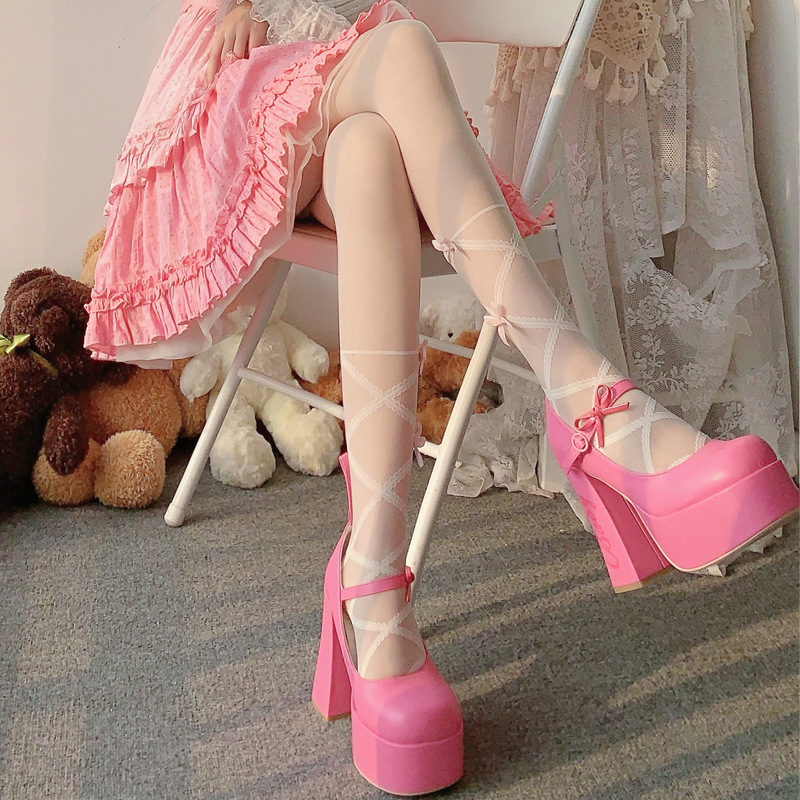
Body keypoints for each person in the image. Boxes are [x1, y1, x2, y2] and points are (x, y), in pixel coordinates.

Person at [85, 0, 799, 795]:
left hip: (360, 87)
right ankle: (595, 405)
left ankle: (374, 577)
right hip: (258, 74)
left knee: (371, 153)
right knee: (403, 52)